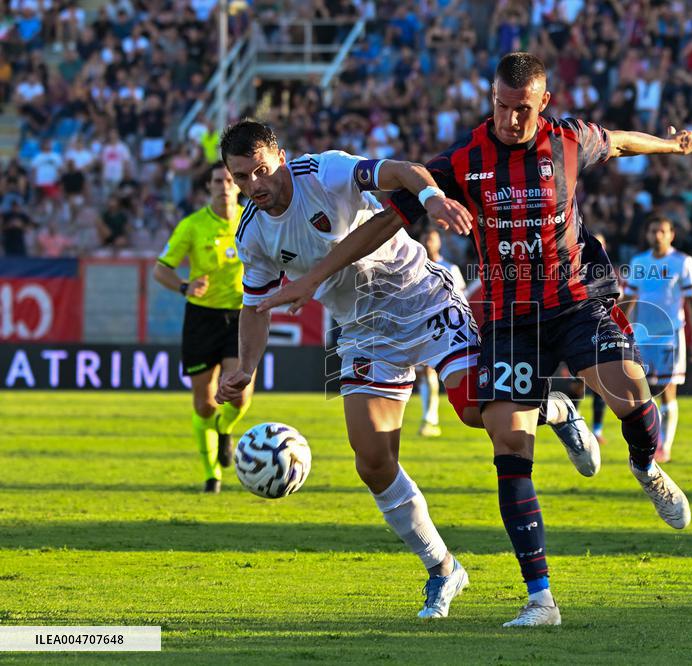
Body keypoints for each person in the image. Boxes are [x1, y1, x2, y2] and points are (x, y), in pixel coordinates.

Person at [264, 53, 692, 627]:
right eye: (501, 106)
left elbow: (620, 141)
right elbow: (384, 223)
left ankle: (646, 467)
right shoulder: (463, 160)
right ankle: (540, 599)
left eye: (522, 109)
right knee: (507, 444)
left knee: (632, 396)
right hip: (509, 317)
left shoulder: (570, 139)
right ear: (491, 99)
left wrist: (672, 147)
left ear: (543, 104)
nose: (510, 119)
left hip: (575, 299)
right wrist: (316, 276)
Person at [214, 120, 598, 621]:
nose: (253, 186)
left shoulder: (325, 172)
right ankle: (442, 568)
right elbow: (255, 305)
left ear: (280, 157)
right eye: (241, 177)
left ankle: (554, 406)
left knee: (472, 411)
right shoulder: (252, 232)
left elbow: (404, 172)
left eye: (260, 171)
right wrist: (246, 366)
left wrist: (434, 197)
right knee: (371, 460)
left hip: (420, 297)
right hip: (365, 329)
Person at [153, 162, 254, 493]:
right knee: (204, 403)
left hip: (241, 315)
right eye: (216, 181)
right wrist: (184, 286)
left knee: (237, 396)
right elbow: (161, 269)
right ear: (207, 187)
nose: (223, 186)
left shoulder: (253, 219)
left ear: (238, 185)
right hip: (201, 318)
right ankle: (212, 474)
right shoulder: (192, 225)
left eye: (229, 180)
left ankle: (225, 429)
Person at [624, 216, 692, 463]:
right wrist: (616, 330)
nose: (657, 235)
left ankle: (664, 447)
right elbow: (628, 300)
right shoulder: (639, 262)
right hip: (642, 337)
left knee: (669, 392)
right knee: (645, 394)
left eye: (662, 231)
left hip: (670, 336)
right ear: (647, 234)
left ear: (671, 235)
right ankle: (652, 443)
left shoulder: (683, 262)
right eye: (653, 231)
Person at [417, 227, 467, 438]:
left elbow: (460, 298)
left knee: (438, 371)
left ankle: (432, 418)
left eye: (432, 238)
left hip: (445, 326)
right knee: (424, 373)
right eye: (425, 238)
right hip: (420, 326)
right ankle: (430, 418)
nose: (428, 242)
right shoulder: (414, 267)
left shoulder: (450, 268)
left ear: (438, 242)